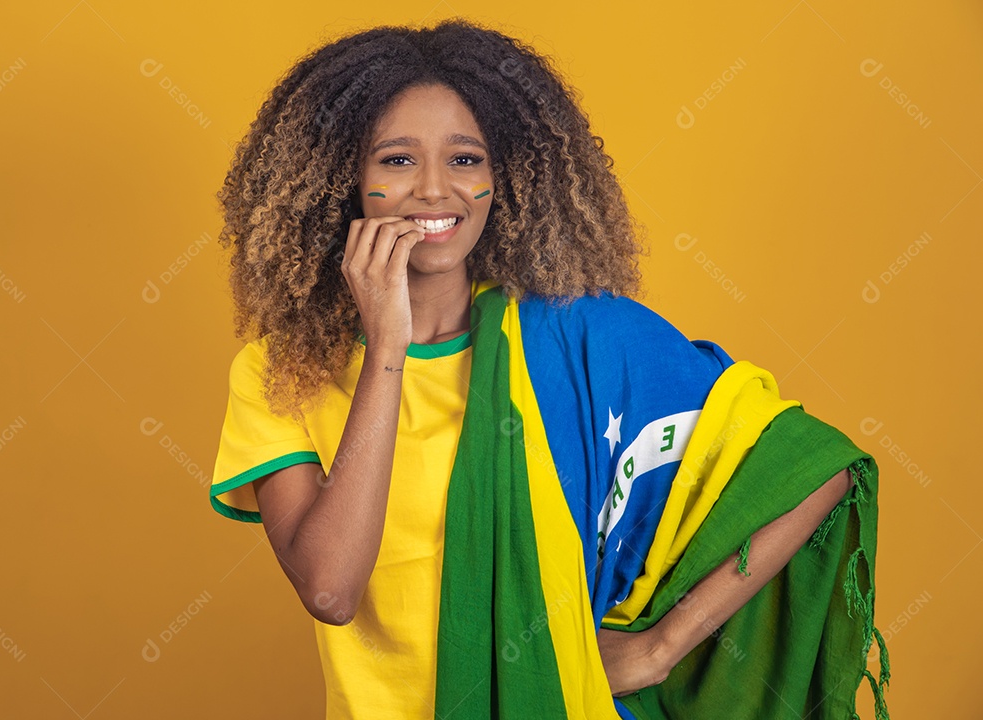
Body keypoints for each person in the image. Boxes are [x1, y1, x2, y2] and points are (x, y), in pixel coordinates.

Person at [208, 18, 888, 720]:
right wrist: (388, 346)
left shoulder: (577, 338)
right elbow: (330, 589)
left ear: (506, 179)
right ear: (344, 179)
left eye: (466, 160)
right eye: (398, 160)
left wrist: (661, 647)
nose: (434, 190)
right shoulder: (282, 373)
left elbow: (816, 468)